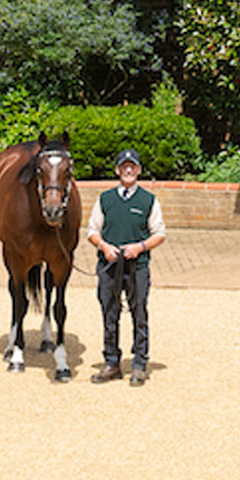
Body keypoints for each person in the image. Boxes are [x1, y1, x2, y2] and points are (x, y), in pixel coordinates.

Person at [89, 147, 164, 385]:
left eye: (132, 166)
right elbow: (92, 231)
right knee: (109, 313)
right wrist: (104, 247)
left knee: (139, 312)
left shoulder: (148, 201)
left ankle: (140, 364)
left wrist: (141, 247)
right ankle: (111, 363)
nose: (128, 170)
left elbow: (159, 233)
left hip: (137, 267)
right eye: (124, 166)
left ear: (139, 171)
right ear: (118, 170)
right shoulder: (105, 199)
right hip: (109, 267)